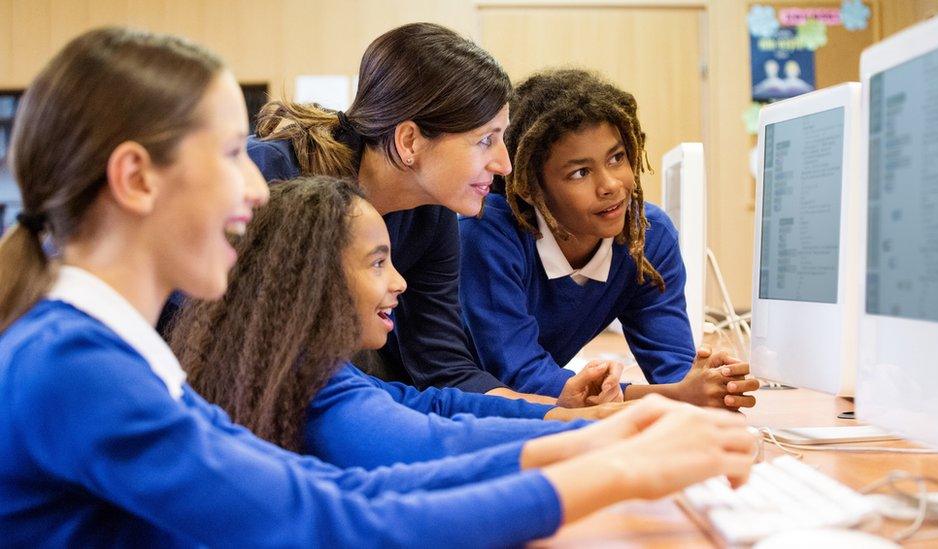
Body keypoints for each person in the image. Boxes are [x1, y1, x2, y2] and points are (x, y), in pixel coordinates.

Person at [0, 27, 755, 547]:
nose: (258, 190)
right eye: (232, 152)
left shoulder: (99, 353)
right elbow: (326, 520)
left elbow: (337, 480)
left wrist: (595, 439)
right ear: (135, 178)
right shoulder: (78, 368)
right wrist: (611, 463)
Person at [246, 22, 623, 410]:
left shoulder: (433, 217)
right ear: (410, 141)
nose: (505, 164)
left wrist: (551, 408)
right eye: (484, 141)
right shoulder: (269, 179)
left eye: (502, 139)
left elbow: (444, 368)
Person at [172, 176, 595, 468]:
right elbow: (431, 444)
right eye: (377, 263)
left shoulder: (307, 367)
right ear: (315, 277)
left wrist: (561, 417)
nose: (400, 282)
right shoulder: (310, 386)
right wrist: (596, 440)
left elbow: (430, 405)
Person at [459, 69, 760, 409]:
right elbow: (521, 374)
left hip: (534, 413)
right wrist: (669, 396)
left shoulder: (647, 235)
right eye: (580, 173)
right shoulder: (488, 232)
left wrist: (707, 386)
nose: (611, 185)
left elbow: (674, 371)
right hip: (453, 406)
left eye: (617, 158)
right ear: (529, 186)